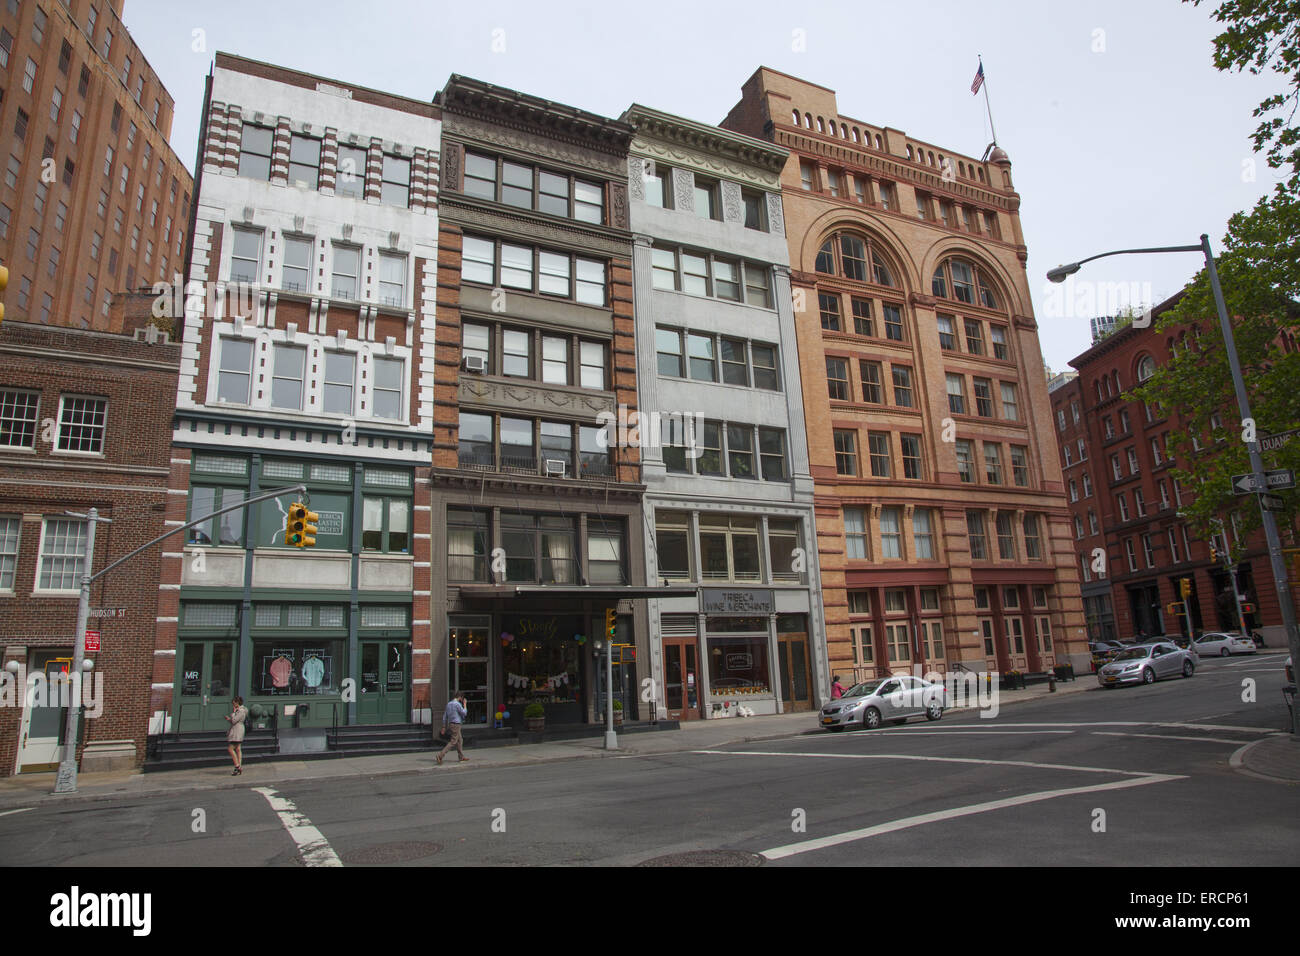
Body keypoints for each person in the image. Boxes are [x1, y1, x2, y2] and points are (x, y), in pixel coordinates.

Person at [437, 693, 469, 765]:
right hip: (456, 724)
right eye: (461, 698)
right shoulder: (457, 704)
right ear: (460, 697)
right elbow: (464, 713)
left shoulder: (448, 704)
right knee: (453, 741)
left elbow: (445, 716)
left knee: (460, 740)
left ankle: (461, 756)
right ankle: (440, 755)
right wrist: (465, 704)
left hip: (451, 724)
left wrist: (443, 726)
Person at [225, 696, 248, 776]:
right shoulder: (241, 710)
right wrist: (229, 719)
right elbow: (233, 721)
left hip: (237, 732)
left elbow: (234, 720)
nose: (233, 705)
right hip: (238, 730)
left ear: (237, 703)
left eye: (234, 703)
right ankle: (238, 767)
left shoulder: (240, 711)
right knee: (238, 749)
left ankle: (237, 766)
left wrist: (233, 713)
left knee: (230, 749)